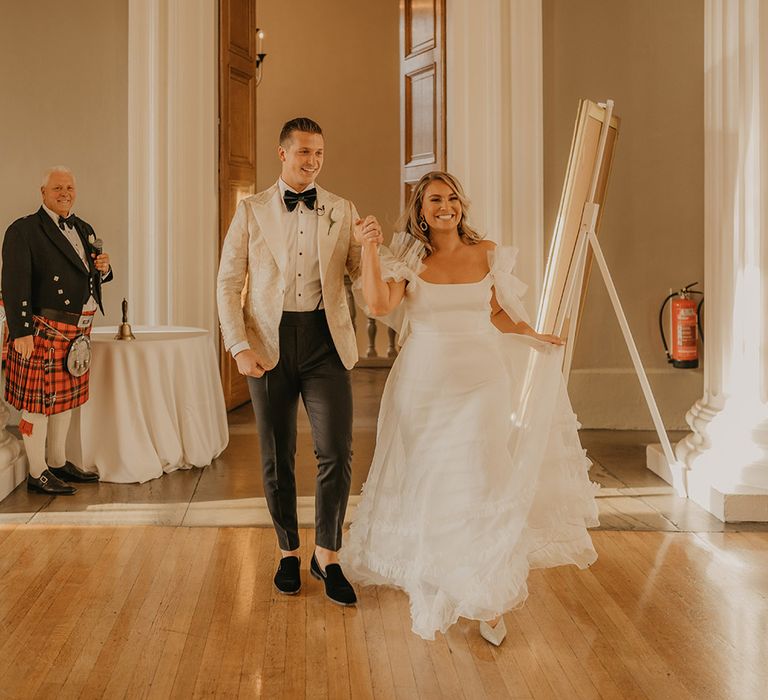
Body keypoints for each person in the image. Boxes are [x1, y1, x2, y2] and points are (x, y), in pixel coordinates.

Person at [340, 171, 599, 643]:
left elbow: (497, 313)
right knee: (434, 483)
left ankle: (487, 594)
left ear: (462, 205)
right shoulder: (409, 257)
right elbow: (377, 305)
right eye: (436, 199)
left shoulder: (488, 253)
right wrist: (372, 248)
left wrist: (533, 335)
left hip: (483, 382)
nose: (447, 206)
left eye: (454, 198)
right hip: (424, 387)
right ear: (420, 209)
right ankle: (438, 574)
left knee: (480, 479)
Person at [217, 117, 377, 605]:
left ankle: (327, 555)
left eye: (319, 153)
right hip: (269, 341)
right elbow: (228, 282)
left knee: (336, 452)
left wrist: (370, 243)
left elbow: (358, 274)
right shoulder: (252, 211)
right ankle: (288, 550)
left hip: (326, 341)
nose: (313, 161)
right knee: (275, 453)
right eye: (304, 152)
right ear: (282, 153)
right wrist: (238, 346)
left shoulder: (340, 208)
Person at [2, 166, 113, 495]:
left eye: (69, 187)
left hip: (77, 331)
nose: (64, 193)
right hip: (42, 329)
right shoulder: (24, 231)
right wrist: (21, 332)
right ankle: (38, 473)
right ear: (43, 193)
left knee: (65, 402)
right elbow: (13, 284)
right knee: (37, 404)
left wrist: (103, 271)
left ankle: (57, 460)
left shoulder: (83, 227)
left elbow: (88, 274)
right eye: (56, 188)